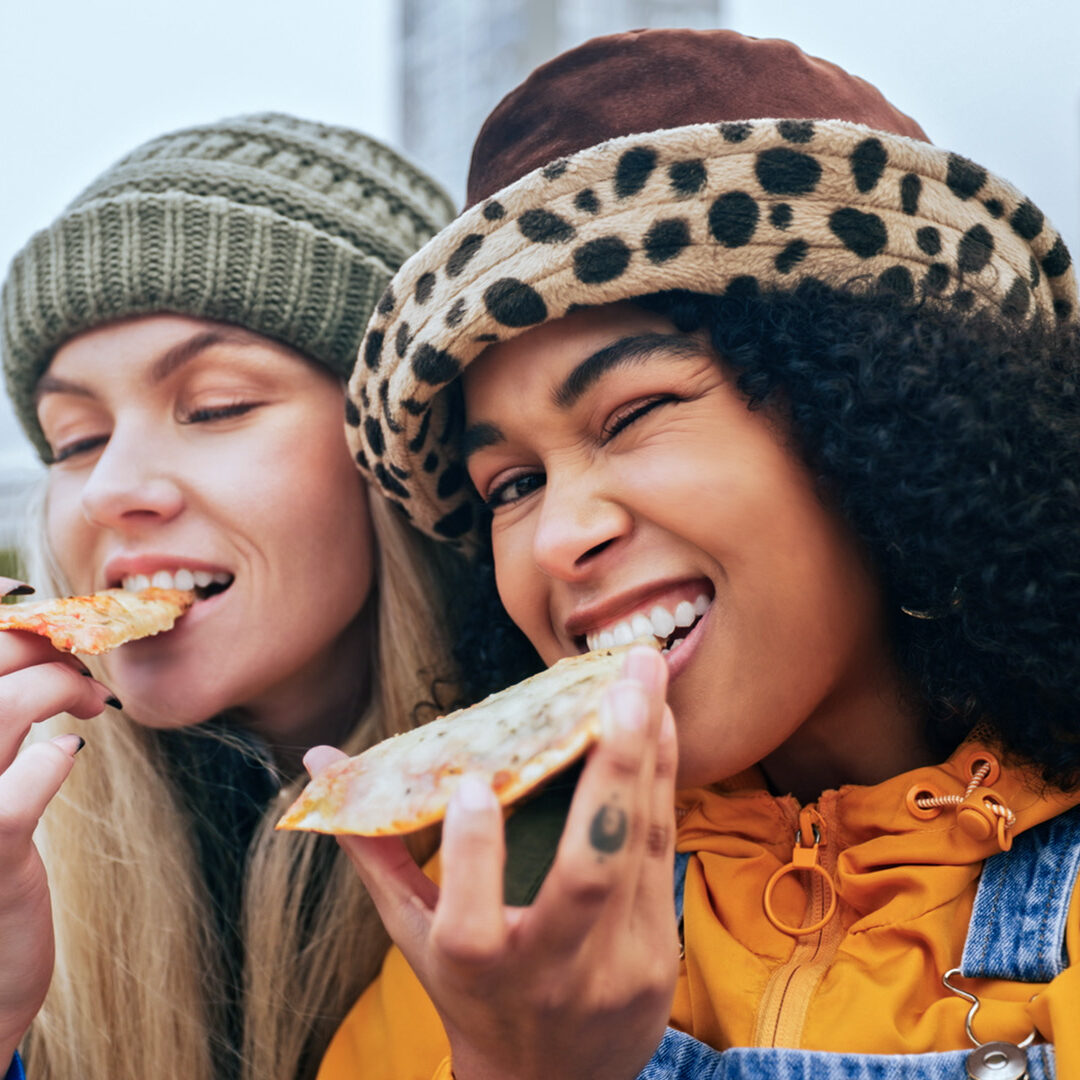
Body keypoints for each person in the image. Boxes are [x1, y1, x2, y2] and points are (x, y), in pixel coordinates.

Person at [312, 28, 1080, 1080]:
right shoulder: (488, 925)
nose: (563, 535)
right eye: (513, 486)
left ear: (877, 413)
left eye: (631, 414)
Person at [0, 113, 459, 1080]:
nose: (116, 488)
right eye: (74, 439)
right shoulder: (27, 870)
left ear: (398, 453)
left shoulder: (622, 850)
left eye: (216, 408)